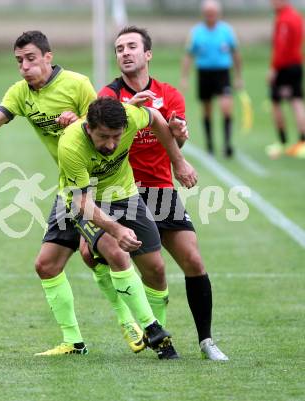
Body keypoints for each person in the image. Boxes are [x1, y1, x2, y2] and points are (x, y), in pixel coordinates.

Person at [0, 30, 117, 356]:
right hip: (69, 187)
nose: (24, 67)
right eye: (19, 61)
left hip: (99, 183)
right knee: (46, 265)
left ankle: (135, 323)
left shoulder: (77, 84)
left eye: (31, 59)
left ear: (48, 56)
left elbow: (106, 129)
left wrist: (79, 124)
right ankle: (74, 342)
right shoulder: (21, 93)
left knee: (93, 255)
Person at [87, 26, 228, 361]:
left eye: (132, 46)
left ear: (147, 54)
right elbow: (99, 143)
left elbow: (172, 142)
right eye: (119, 48)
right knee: (147, 266)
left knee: (193, 260)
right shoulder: (108, 97)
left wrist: (178, 136)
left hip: (161, 189)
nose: (125, 52)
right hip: (122, 193)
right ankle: (149, 330)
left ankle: (207, 341)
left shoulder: (170, 94)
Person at [58, 96, 198, 359]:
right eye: (103, 137)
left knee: (156, 269)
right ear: (88, 127)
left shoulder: (132, 116)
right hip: (87, 203)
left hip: (126, 195)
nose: (111, 144)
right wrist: (116, 229)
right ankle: (156, 333)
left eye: (116, 137)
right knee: (117, 251)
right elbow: (82, 201)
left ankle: (156, 324)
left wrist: (177, 160)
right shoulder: (70, 145)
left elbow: (155, 118)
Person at [180, 0, 242, 158]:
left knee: (226, 108)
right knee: (207, 110)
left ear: (218, 14)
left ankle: (227, 144)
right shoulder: (196, 32)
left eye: (213, 13)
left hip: (223, 73)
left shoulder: (226, 31)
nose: (210, 16)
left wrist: (238, 76)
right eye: (208, 13)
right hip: (204, 73)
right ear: (204, 14)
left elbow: (236, 54)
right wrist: (185, 78)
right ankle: (209, 145)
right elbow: (188, 55)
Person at [266, 0, 305, 159]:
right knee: (296, 101)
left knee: (277, 103)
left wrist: (274, 68)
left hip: (285, 67)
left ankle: (282, 142)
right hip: (296, 64)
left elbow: (281, 47)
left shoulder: (284, 19)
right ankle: (302, 143)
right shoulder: (296, 16)